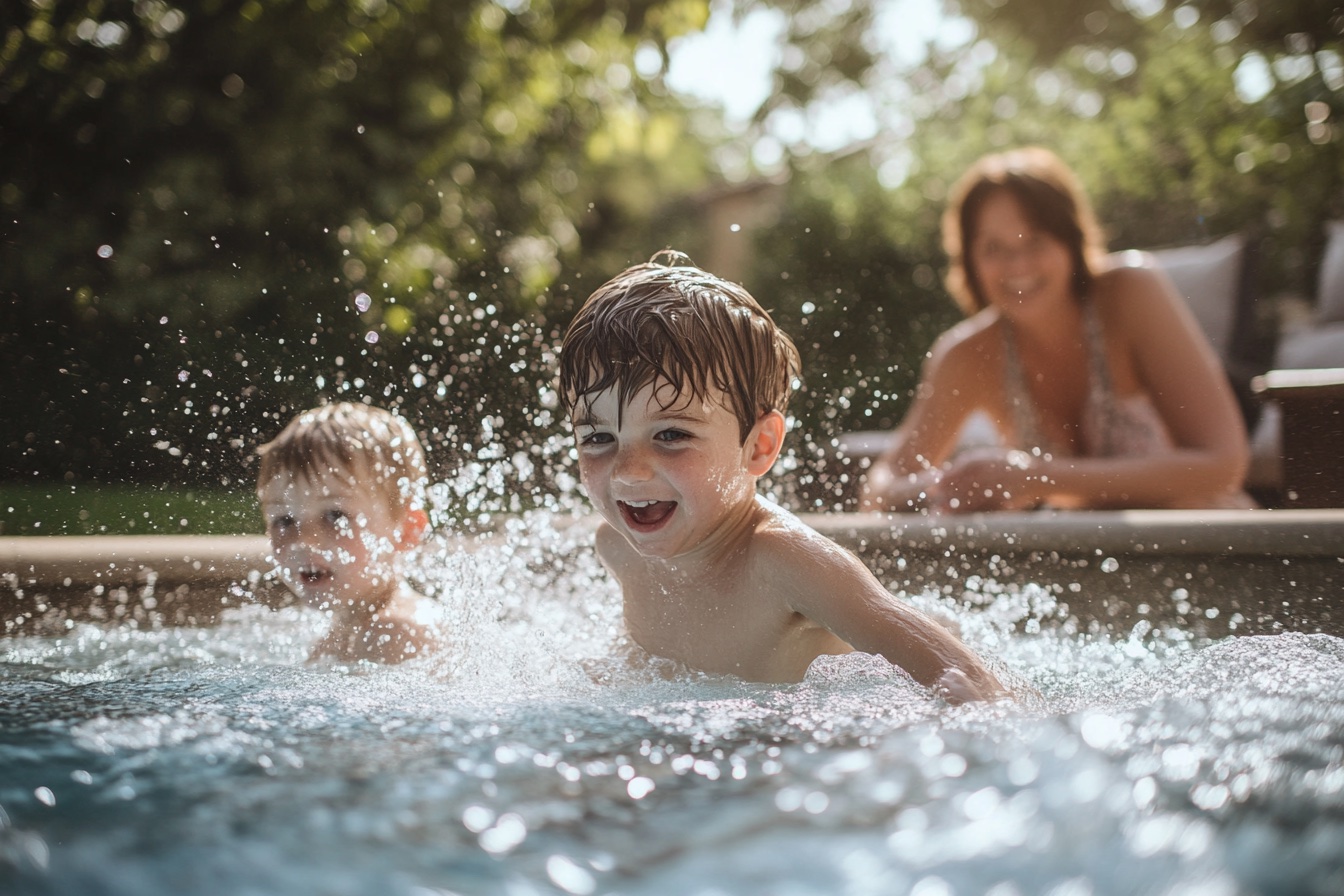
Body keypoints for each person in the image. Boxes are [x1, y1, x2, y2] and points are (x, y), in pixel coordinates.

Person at [559, 251, 1009, 702]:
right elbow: (649, 665)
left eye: (671, 434)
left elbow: (967, 676)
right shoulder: (618, 547)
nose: (629, 471)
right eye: (598, 437)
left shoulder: (786, 562)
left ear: (759, 446)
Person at [861, 147, 1253, 513]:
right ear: (970, 262)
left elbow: (1225, 464)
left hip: (1215, 546)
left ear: (1071, 240)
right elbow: (881, 487)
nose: (1017, 264)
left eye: (1034, 240)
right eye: (993, 248)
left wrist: (1032, 478)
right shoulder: (967, 353)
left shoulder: (1130, 293)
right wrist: (945, 485)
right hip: (1091, 570)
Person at [256, 401, 446, 664]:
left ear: (406, 531)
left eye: (335, 515)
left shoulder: (395, 634)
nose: (303, 540)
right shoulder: (347, 632)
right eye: (285, 520)